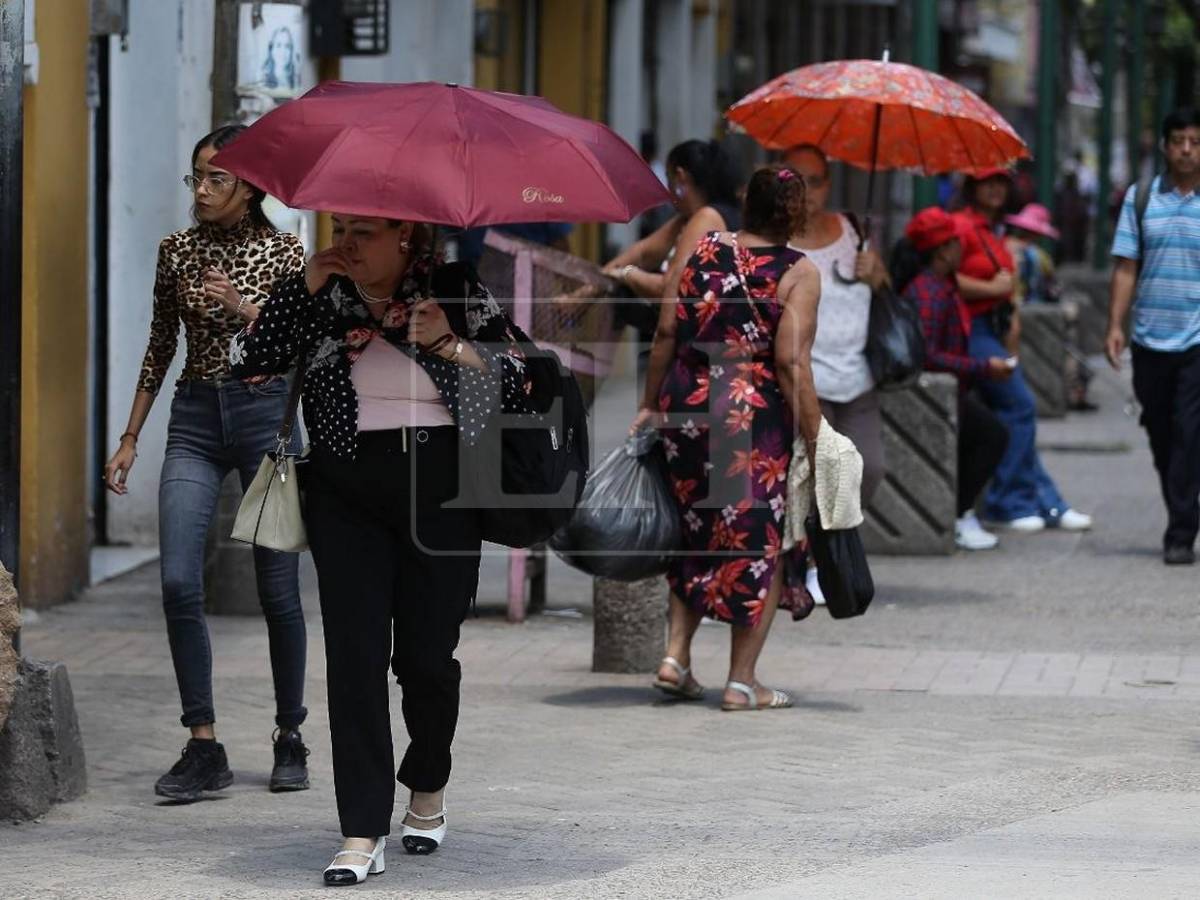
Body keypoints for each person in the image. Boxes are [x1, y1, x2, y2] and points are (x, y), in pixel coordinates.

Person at [229, 213, 535, 884]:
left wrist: (451, 345)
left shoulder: (453, 287)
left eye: (364, 230)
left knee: (427, 660)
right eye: (342, 227)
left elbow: (524, 379)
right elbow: (248, 364)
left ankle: (427, 781)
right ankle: (361, 829)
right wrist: (299, 287)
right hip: (346, 495)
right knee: (355, 659)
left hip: (443, 492)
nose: (347, 242)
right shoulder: (322, 291)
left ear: (406, 236)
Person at [102, 125, 311, 801]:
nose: (202, 189)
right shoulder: (177, 251)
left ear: (249, 187)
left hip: (266, 415)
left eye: (216, 178)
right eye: (196, 176)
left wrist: (240, 305)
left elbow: (300, 345)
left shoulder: (285, 252)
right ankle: (203, 742)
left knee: (278, 590)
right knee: (176, 583)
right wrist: (131, 436)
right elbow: (160, 344)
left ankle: (289, 734)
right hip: (194, 418)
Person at [632, 165, 822, 711]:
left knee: (694, 529)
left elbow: (668, 328)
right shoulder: (798, 271)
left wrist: (648, 403)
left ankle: (675, 657)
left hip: (687, 404)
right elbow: (790, 362)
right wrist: (818, 435)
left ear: (747, 201)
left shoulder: (707, 248)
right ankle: (741, 682)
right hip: (750, 415)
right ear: (796, 212)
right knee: (759, 543)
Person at [951, 168, 1093, 533]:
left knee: (1018, 415)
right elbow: (943, 279)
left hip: (993, 331)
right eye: (987, 181)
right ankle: (1007, 502)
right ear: (972, 186)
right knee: (1020, 406)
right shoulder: (960, 227)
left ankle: (1049, 503)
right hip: (968, 330)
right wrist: (991, 289)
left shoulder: (994, 231)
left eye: (1002, 182)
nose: (996, 188)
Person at [783, 145, 889, 602]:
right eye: (799, 180)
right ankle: (811, 563)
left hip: (857, 375)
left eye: (817, 180)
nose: (809, 191)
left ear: (829, 184)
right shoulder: (778, 238)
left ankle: (825, 548)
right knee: (813, 474)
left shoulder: (854, 229)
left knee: (869, 468)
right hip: (807, 376)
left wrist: (876, 273)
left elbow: (885, 290)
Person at [1108, 107, 1200, 566]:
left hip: (1197, 340)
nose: (1187, 149)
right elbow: (1126, 267)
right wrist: (1114, 326)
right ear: (1165, 146)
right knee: (1163, 435)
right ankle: (1183, 507)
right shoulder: (1141, 198)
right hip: (1149, 339)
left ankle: (1181, 532)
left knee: (1189, 431)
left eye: (1195, 142)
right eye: (1179, 140)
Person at [893, 208, 1011, 551]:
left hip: (955, 389)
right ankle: (959, 514)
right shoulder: (927, 292)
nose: (963, 247)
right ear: (943, 250)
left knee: (986, 435)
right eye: (957, 241)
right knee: (992, 435)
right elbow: (928, 355)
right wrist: (982, 367)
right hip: (934, 393)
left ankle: (960, 512)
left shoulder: (944, 285)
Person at [603, 139, 742, 380]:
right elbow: (643, 252)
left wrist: (626, 274)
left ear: (680, 177)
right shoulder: (689, 219)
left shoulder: (707, 217)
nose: (667, 188)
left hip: (701, 359)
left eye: (668, 177)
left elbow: (670, 287)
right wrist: (593, 284)